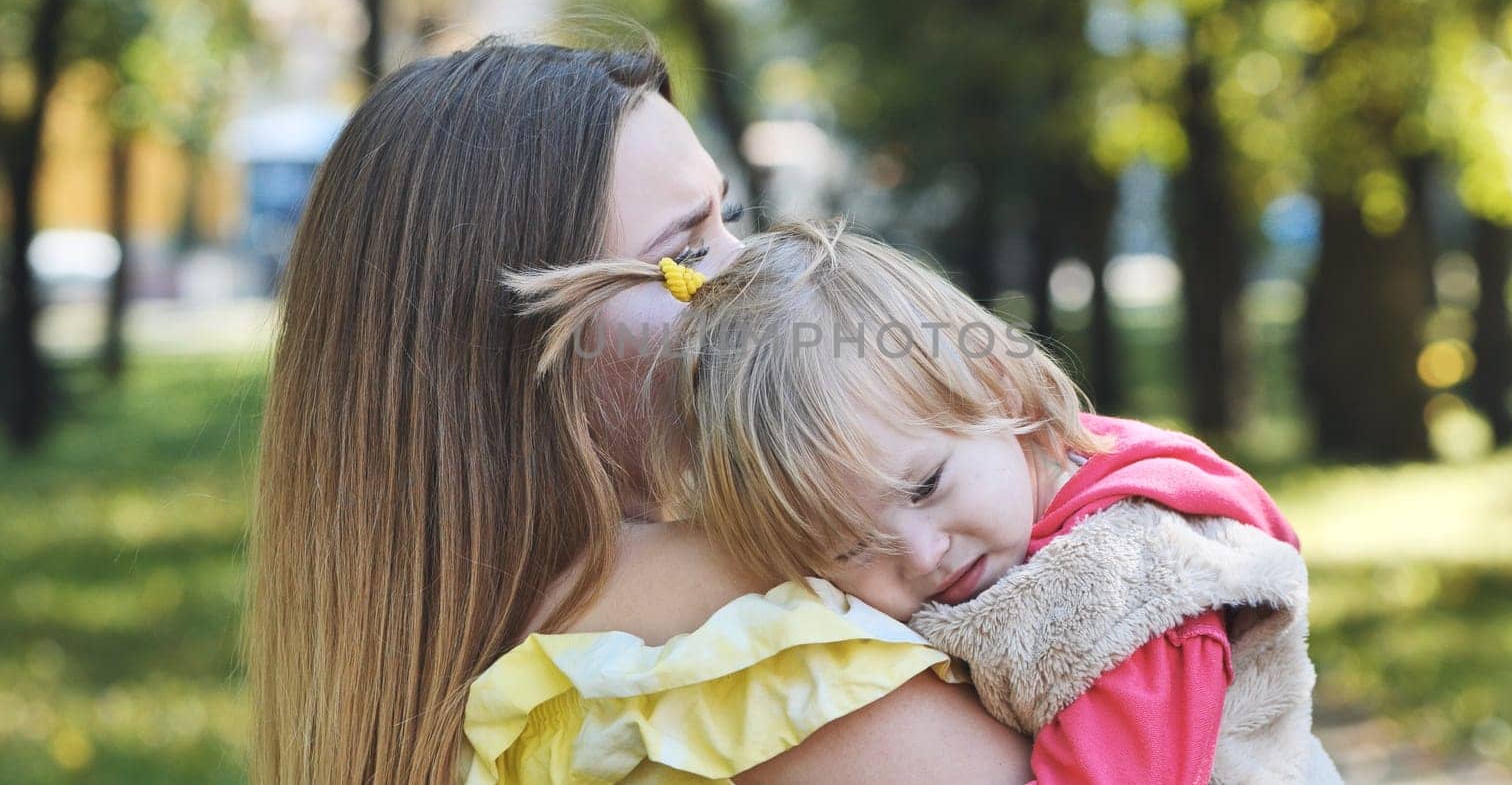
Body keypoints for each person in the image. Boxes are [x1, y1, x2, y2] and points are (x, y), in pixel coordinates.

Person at [246, 38, 1037, 784]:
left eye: (728, 220)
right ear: (512, 352)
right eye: (687, 253)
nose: (755, 276)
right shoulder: (736, 632)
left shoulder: (411, 649)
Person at [509, 219, 1340, 783]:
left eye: (925, 486)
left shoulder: (1128, 590)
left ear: (997, 387)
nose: (919, 553)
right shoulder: (1010, 510)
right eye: (847, 549)